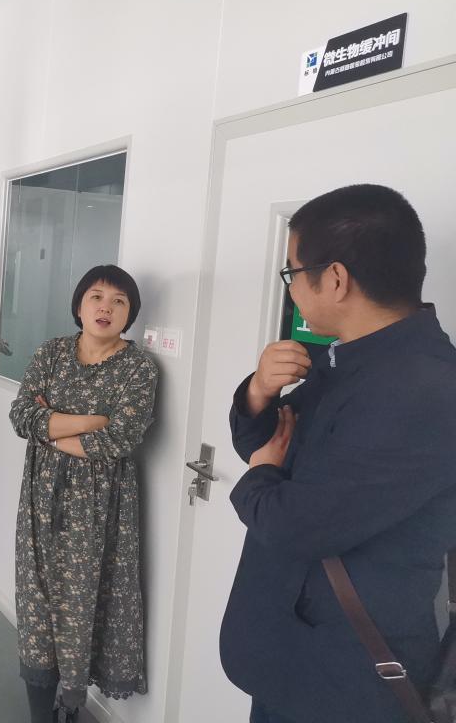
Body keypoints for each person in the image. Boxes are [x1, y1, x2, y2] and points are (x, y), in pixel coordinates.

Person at [220, 184, 456, 723]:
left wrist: (258, 476)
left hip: (345, 681)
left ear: (334, 279)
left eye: (293, 273)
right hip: (293, 660)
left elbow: (296, 525)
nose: (293, 290)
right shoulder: (350, 359)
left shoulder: (428, 391)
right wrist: (258, 392)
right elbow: (268, 443)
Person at [9, 265, 158, 723]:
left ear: (130, 313)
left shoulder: (138, 368)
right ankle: (40, 713)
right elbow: (22, 417)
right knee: (37, 601)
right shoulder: (52, 352)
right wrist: (94, 421)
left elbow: (121, 438)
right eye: (96, 297)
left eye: (119, 301)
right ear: (79, 305)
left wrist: (52, 427)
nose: (105, 308)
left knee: (84, 602)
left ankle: (71, 706)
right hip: (40, 499)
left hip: (101, 507)